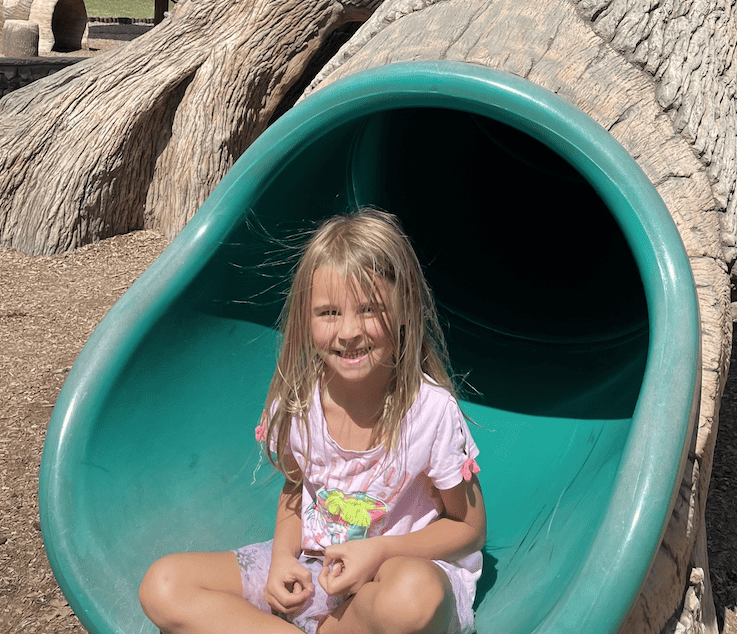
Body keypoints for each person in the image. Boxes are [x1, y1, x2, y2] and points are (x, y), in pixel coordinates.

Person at [139, 209, 486, 634]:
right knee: (164, 584)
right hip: (314, 566)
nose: (349, 331)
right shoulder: (299, 403)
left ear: (403, 310)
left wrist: (379, 552)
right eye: (329, 313)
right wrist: (283, 557)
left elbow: (468, 528)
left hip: (392, 572)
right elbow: (296, 487)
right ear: (306, 317)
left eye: (369, 310)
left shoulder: (430, 412)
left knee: (413, 597)